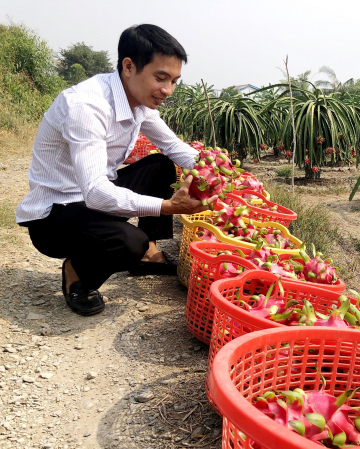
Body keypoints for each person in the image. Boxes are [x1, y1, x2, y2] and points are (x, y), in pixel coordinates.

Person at [15, 24, 215, 316]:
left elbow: (175, 148)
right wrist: (167, 207)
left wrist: (217, 170)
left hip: (92, 197)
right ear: (129, 66)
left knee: (161, 165)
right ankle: (78, 274)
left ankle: (149, 252)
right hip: (56, 214)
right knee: (128, 242)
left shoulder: (138, 102)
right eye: (160, 78)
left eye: (174, 81)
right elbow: (96, 193)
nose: (168, 90)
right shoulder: (87, 106)